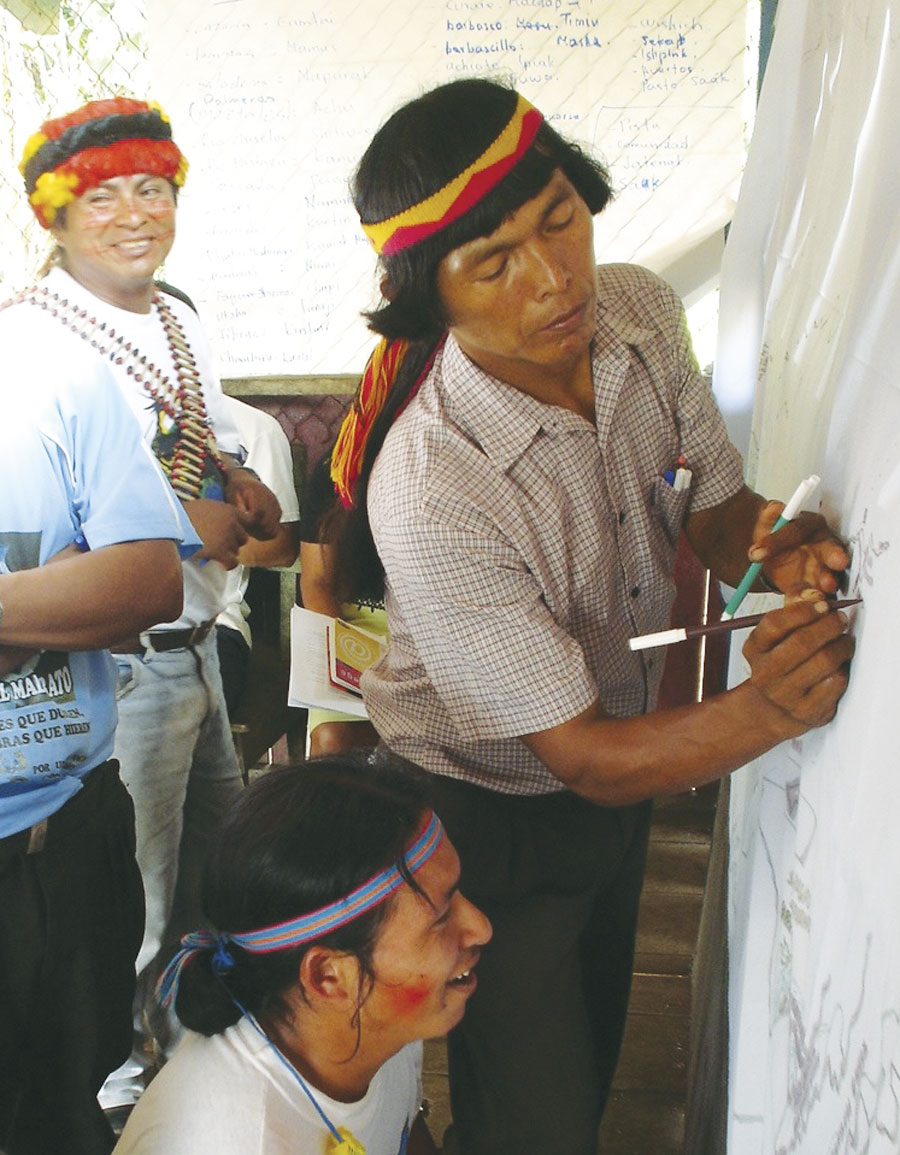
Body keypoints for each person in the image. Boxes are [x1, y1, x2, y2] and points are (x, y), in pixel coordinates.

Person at [328, 79, 855, 1155]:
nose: (554, 277)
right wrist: (774, 707)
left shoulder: (641, 315)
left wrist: (775, 546)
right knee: (537, 1116)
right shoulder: (437, 486)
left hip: (617, 776)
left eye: (559, 217)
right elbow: (579, 756)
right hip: (480, 810)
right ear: (432, 298)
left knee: (599, 1044)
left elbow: (709, 507)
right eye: (496, 261)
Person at [16, 96, 283, 1100]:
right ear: (56, 216)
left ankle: (186, 1056)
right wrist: (185, 529)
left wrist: (232, 476)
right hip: (115, 670)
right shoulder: (31, 345)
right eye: (105, 195)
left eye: (155, 188)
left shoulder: (176, 316)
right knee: (133, 893)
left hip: (198, 641)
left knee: (213, 871)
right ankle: (118, 1087)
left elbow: (194, 430)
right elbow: (36, 540)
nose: (136, 213)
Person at [0, 314, 198, 1155]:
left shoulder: (58, 379)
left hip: (77, 830)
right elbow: (102, 583)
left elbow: (150, 580)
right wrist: (59, 588)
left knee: (69, 1116)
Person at [113, 752, 492, 1154]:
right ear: (328, 976)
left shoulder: (375, 1024)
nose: (481, 927)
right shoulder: (233, 1140)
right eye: (441, 916)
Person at [215, 396, 301, 717]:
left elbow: (278, 547)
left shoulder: (252, 430)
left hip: (211, 626)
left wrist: (192, 540)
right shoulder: (97, 427)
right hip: (117, 630)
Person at [299, 450, 384, 755]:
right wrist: (345, 662)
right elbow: (316, 583)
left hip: (428, 634)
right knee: (331, 741)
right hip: (352, 631)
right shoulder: (337, 466)